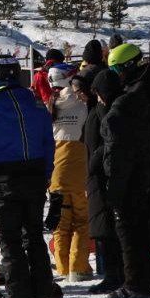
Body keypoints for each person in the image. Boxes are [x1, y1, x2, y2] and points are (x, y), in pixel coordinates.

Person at [0, 55, 57, 298]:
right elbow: (48, 142)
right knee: (34, 235)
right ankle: (42, 290)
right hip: (37, 174)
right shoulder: (36, 103)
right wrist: (48, 172)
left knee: (9, 238)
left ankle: (18, 295)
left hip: (7, 177)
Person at [100, 43, 150, 298]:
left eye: (116, 69)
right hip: (147, 167)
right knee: (143, 225)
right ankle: (149, 277)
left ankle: (136, 283)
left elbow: (118, 148)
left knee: (129, 230)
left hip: (133, 172)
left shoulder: (130, 100)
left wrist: (112, 189)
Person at [45, 63, 92, 282]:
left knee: (61, 222)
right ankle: (78, 267)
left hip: (56, 172)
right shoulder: (83, 105)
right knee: (82, 221)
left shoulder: (51, 106)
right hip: (79, 171)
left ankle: (63, 267)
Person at [84, 70, 123, 294]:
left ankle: (112, 274)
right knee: (104, 226)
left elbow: (106, 143)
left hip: (101, 174)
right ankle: (113, 272)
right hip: (99, 174)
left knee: (106, 227)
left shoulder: (106, 111)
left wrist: (94, 162)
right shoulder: (103, 109)